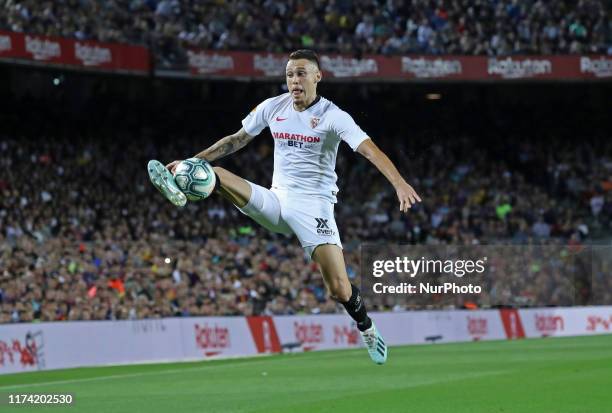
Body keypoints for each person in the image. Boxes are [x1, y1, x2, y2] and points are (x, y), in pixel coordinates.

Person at [148, 49, 421, 364]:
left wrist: (399, 183)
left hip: (314, 208)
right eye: (290, 74)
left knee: (339, 290)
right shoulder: (273, 106)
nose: (295, 80)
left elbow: (370, 151)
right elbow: (236, 140)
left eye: (302, 73)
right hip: (276, 200)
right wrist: (193, 161)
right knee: (217, 175)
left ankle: (367, 327)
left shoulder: (334, 116)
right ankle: (183, 184)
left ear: (318, 76)